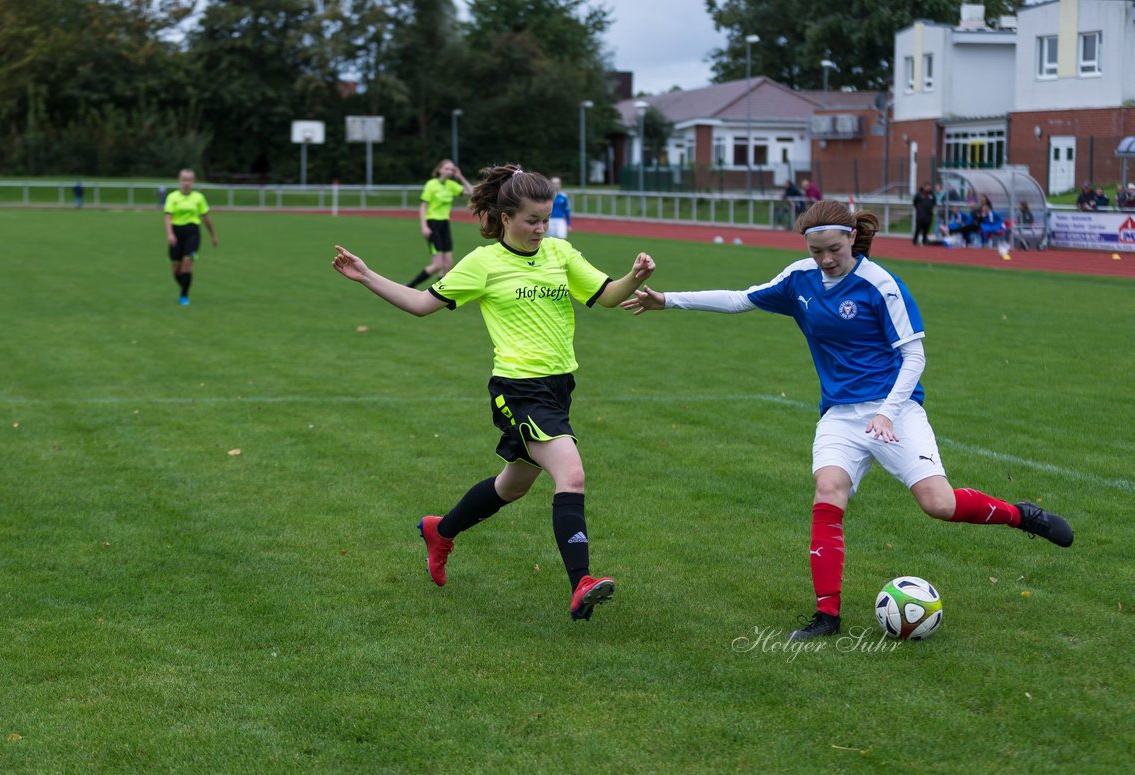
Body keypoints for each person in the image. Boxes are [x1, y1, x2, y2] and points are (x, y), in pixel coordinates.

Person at [619, 199, 1073, 641]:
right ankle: (826, 615)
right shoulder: (800, 279)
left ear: (853, 238)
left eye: (834, 249)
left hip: (894, 409)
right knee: (828, 491)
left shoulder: (881, 285)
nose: (825, 260)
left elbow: (913, 356)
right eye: (816, 251)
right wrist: (669, 300)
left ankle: (1021, 516)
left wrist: (886, 412)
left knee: (940, 504)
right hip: (840, 414)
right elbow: (742, 299)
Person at [331, 164, 656, 621]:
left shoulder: (560, 253)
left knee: (514, 485)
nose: (540, 229)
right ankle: (581, 582)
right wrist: (367, 276)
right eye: (531, 221)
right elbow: (422, 305)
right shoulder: (483, 263)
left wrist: (635, 277)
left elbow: (604, 295)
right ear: (505, 218)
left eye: (545, 219)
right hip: (519, 389)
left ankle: (440, 531)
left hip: (559, 386)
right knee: (572, 475)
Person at [404, 159, 473, 289]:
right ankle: (410, 285)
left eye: (452, 169)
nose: (450, 171)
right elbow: (423, 207)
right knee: (437, 265)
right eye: (447, 168)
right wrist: (424, 226)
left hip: (445, 224)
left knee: (448, 264)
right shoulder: (431, 184)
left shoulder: (451, 185)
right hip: (432, 224)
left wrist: (460, 177)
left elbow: (471, 192)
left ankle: (439, 292)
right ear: (439, 170)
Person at [163, 169, 218, 306]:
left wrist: (213, 236)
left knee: (187, 263)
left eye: (189, 180)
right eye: (184, 180)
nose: (186, 183)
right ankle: (184, 286)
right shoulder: (172, 197)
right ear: (179, 181)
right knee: (176, 268)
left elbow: (206, 218)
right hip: (176, 232)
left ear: (193, 182)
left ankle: (184, 296)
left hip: (192, 232)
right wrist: (170, 234)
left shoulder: (198, 198)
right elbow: (168, 217)